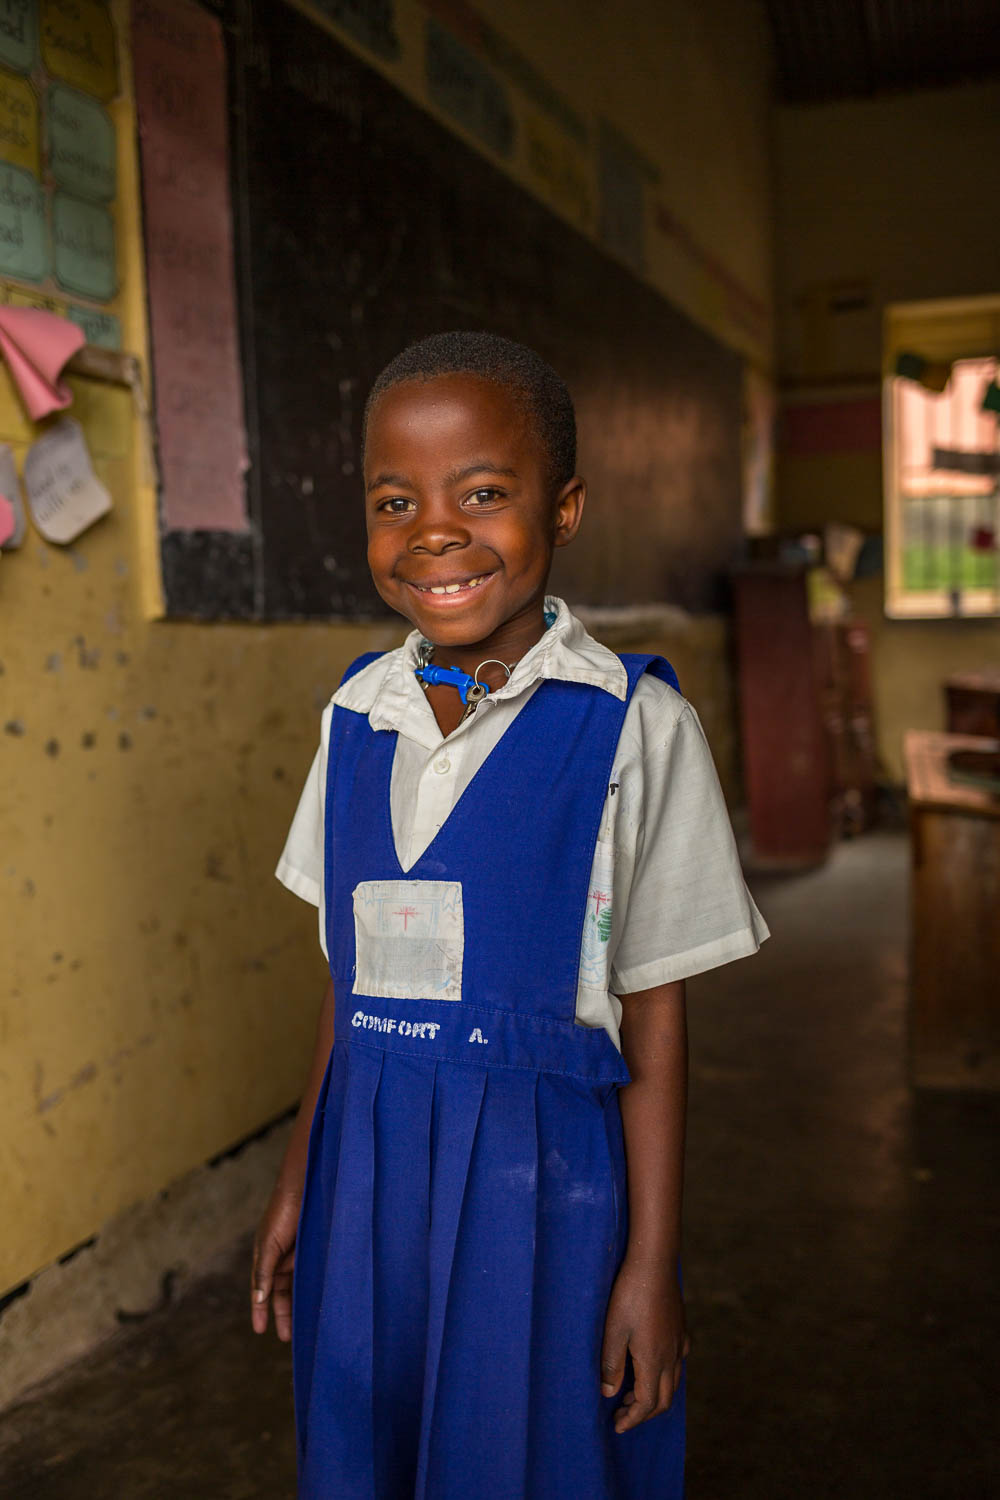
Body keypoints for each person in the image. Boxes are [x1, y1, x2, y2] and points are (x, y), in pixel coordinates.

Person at [252, 331, 768, 1499]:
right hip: (365, 1169)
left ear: (567, 508)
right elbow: (347, 981)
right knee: (362, 1439)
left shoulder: (632, 728)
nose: (435, 530)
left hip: (542, 1180)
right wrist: (298, 1179)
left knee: (524, 1454)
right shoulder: (357, 718)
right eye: (396, 500)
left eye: (482, 492)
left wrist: (648, 1263)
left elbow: (655, 1015)